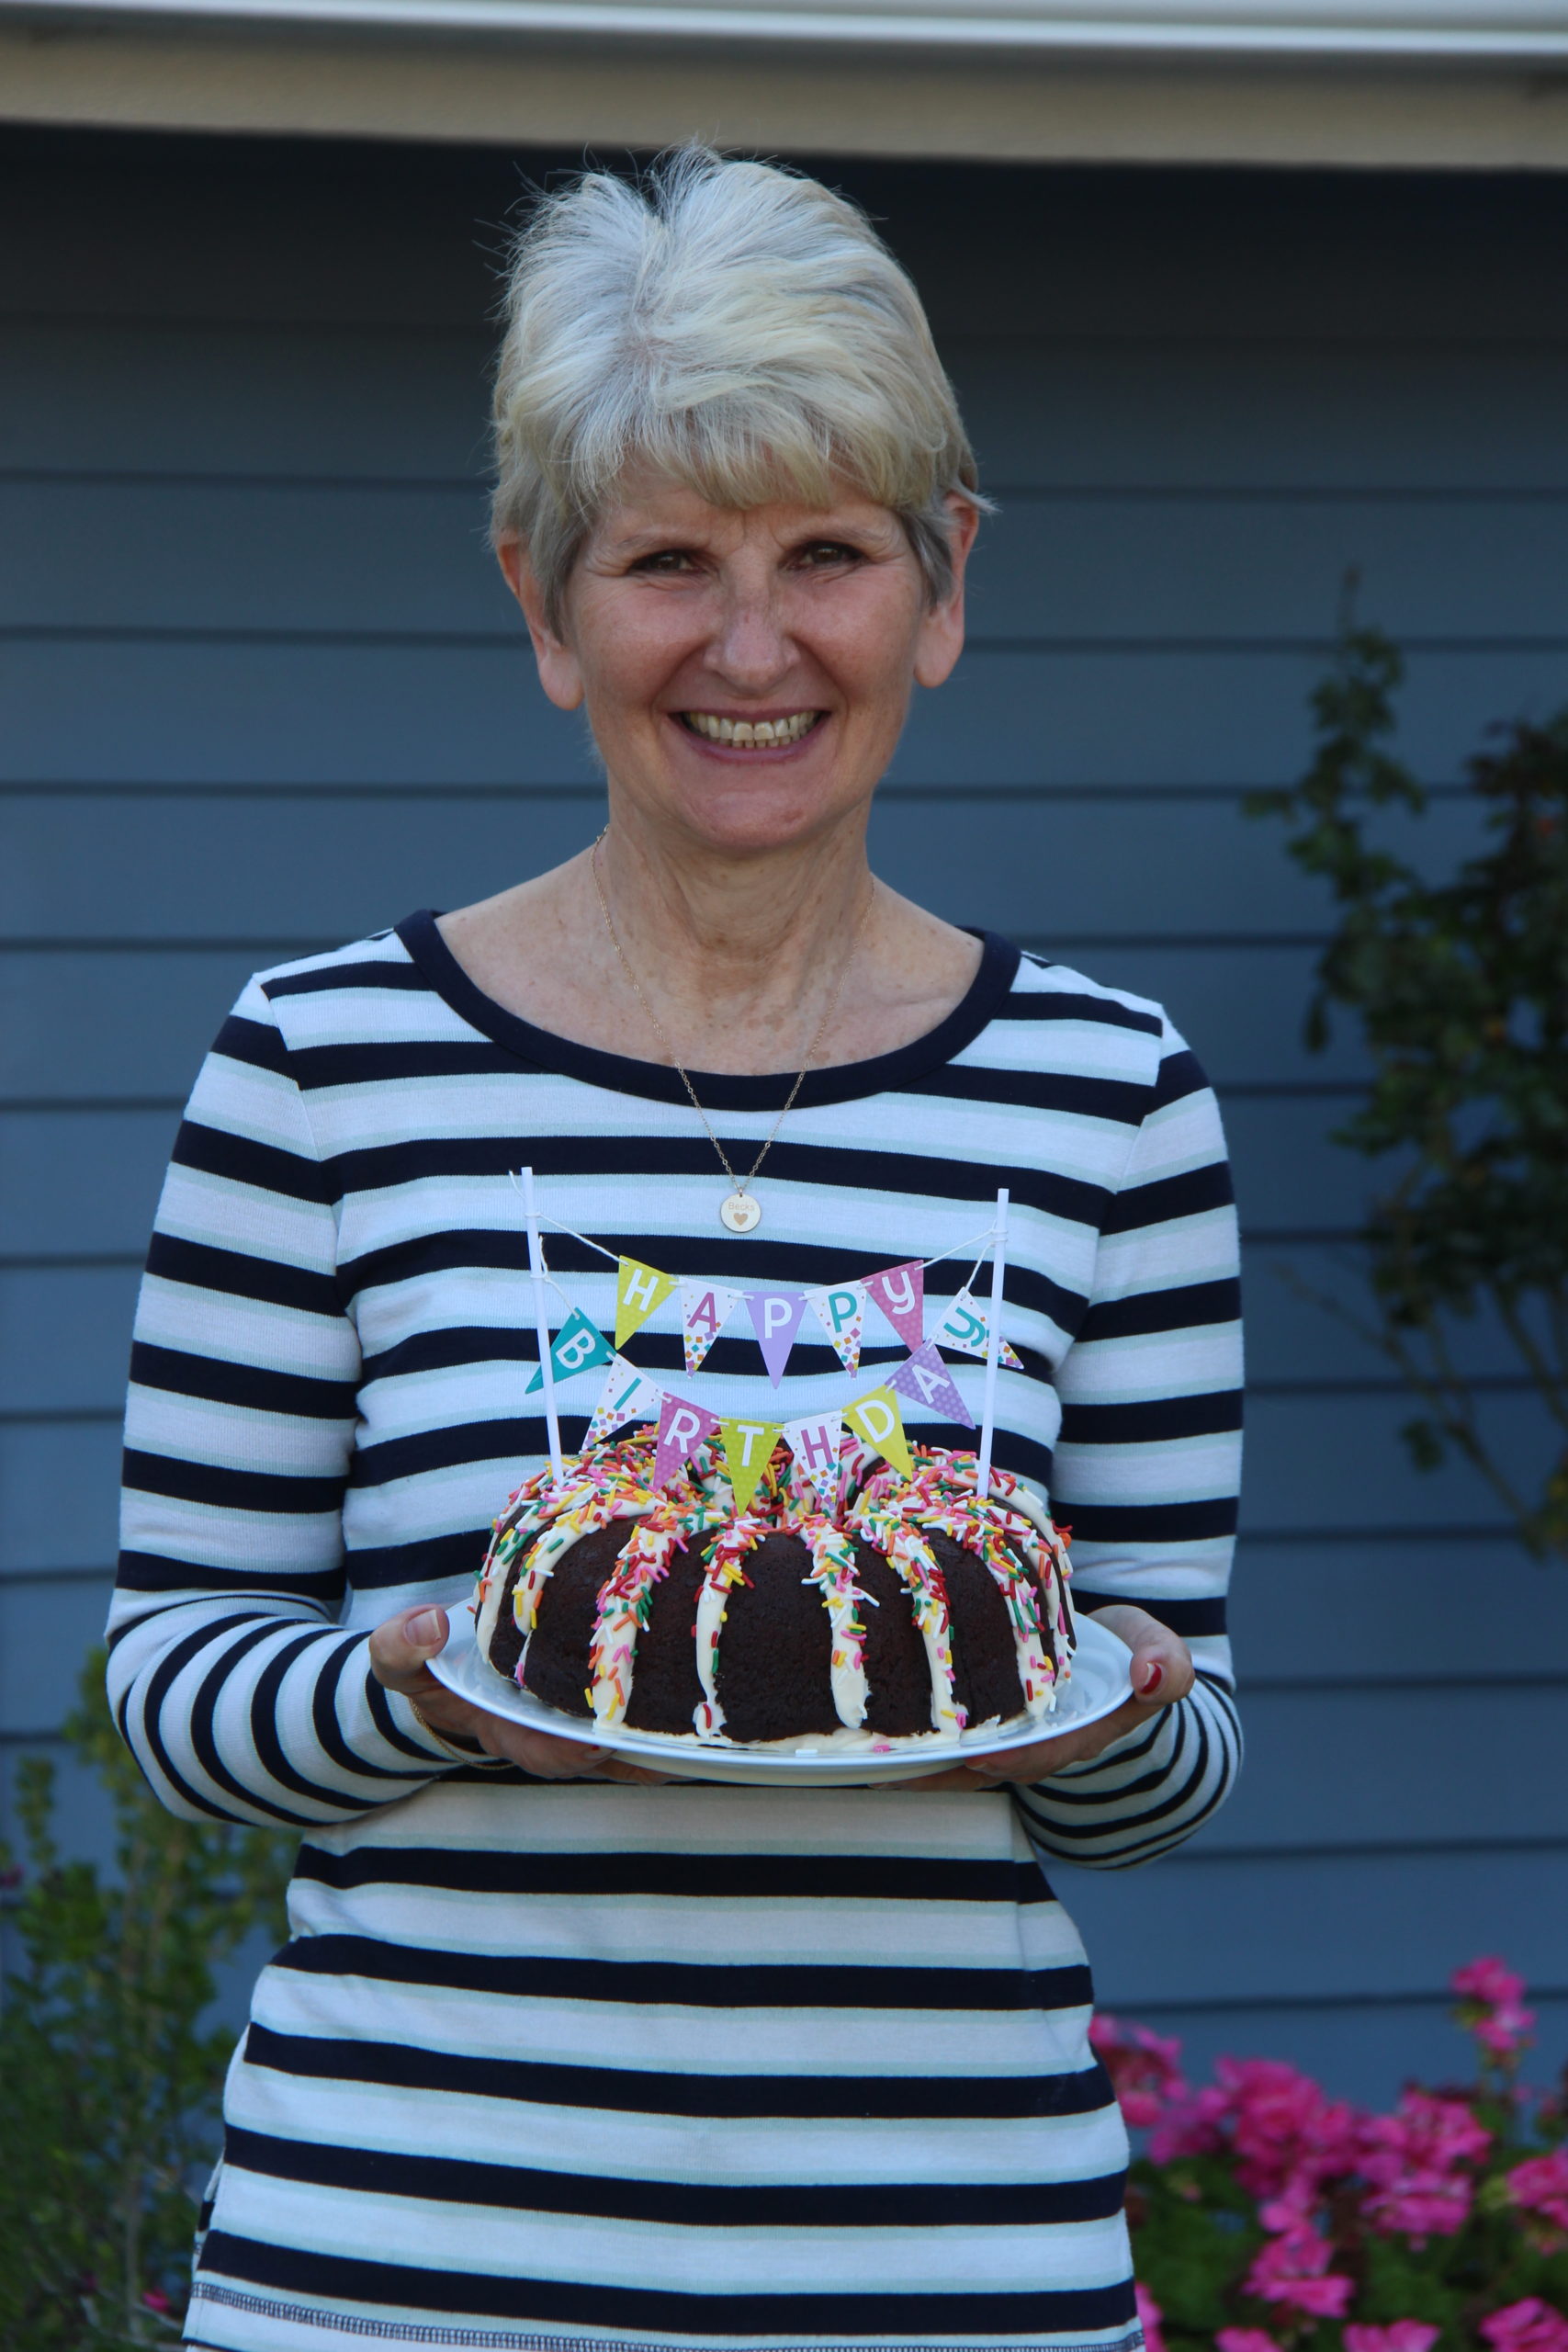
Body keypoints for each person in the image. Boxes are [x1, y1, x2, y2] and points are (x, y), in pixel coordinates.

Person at [111, 148, 1243, 2352]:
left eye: (825, 551)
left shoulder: (1112, 1094)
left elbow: (1169, 1754)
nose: (750, 646)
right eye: (664, 562)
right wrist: (413, 1692)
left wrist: (1099, 1711)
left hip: (949, 2279)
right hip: (410, 2269)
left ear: (941, 586)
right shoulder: (319, 1066)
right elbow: (173, 1687)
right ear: (543, 603)